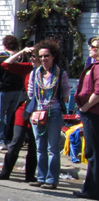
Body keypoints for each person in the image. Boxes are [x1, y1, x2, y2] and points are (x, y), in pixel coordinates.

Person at [27, 39, 69, 189]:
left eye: (46, 56)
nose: (43, 59)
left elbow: (65, 94)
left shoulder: (60, 74)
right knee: (40, 147)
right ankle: (41, 177)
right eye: (41, 56)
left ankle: (51, 179)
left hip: (54, 112)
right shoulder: (35, 74)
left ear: (53, 56)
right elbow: (31, 93)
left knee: (52, 148)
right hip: (38, 113)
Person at [0, 46, 38, 183]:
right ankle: (5, 172)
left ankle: (30, 176)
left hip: (39, 109)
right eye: (33, 56)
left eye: (36, 56)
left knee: (33, 143)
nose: (33, 58)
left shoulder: (50, 71)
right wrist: (22, 52)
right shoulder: (27, 67)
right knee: (16, 140)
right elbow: (5, 64)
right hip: (24, 106)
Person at [74, 37, 99, 200]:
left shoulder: (97, 67)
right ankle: (89, 188)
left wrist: (85, 107)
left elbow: (98, 93)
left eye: (95, 46)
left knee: (93, 152)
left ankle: (92, 190)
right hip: (90, 112)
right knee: (92, 152)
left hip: (93, 113)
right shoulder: (94, 65)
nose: (90, 48)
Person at [0, 35, 25, 151]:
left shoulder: (0, 58)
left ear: (4, 45)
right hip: (18, 91)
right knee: (11, 116)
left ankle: (0, 140)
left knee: (0, 116)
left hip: (4, 91)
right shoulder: (22, 58)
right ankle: (9, 139)